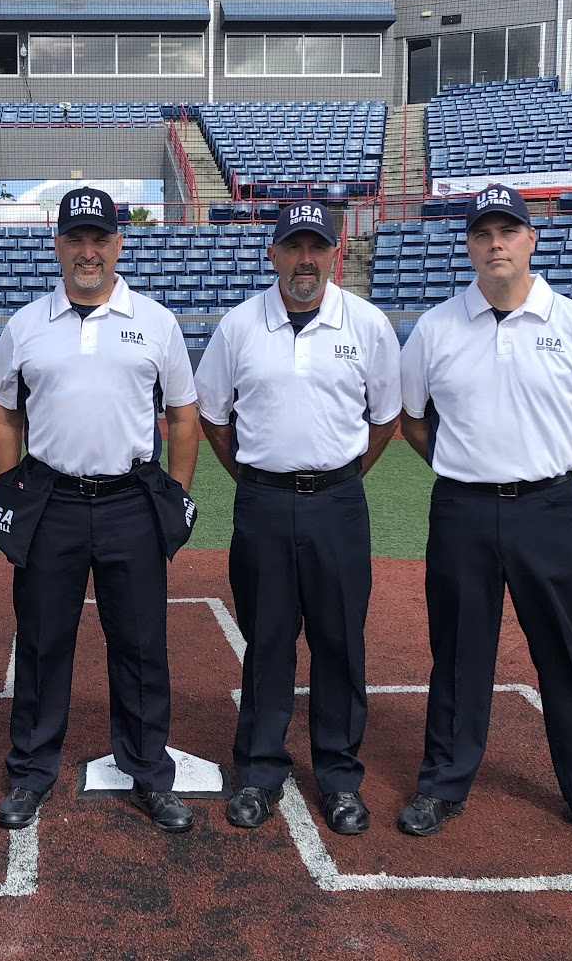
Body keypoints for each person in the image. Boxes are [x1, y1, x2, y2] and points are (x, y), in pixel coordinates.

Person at [397, 183, 572, 851]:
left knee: (563, 654)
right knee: (458, 654)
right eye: (482, 233)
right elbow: (413, 422)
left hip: (548, 509)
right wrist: (466, 466)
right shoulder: (436, 328)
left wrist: (545, 466)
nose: (495, 243)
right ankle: (443, 784)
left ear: (531, 238)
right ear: (469, 245)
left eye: (507, 231)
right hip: (463, 510)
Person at [0, 187, 201, 833]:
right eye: (75, 239)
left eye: (99, 238)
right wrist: (11, 494)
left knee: (141, 645)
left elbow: (183, 415)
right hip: (51, 501)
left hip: (130, 501)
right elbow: (4, 416)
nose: (88, 251)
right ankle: (31, 770)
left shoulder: (155, 322)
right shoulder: (27, 324)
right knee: (42, 642)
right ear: (57, 245)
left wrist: (176, 494)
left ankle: (148, 771)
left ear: (118, 244)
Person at [193, 201, 400, 834]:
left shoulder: (367, 325)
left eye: (316, 247)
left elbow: (385, 417)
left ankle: (339, 777)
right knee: (268, 640)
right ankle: (259, 771)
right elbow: (212, 416)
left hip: (338, 504)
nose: (304, 260)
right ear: (273, 254)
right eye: (293, 247)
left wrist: (341, 476)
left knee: (340, 642)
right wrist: (256, 478)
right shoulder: (239, 327)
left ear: (336, 253)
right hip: (263, 503)